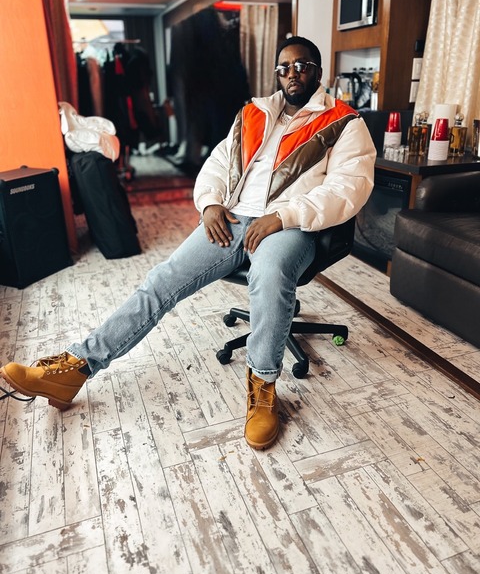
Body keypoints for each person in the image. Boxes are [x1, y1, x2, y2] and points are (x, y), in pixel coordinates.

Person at [0, 36, 376, 450]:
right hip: (233, 217)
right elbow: (219, 162)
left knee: (269, 274)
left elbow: (348, 188)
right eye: (284, 67)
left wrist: (282, 216)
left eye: (301, 66)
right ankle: (75, 367)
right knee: (162, 280)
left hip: (289, 223)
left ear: (318, 71)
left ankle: (263, 386)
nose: (292, 74)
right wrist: (210, 203)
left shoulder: (345, 122)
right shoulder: (254, 112)